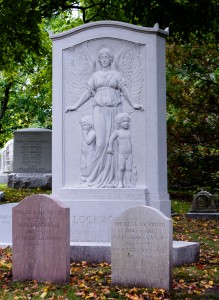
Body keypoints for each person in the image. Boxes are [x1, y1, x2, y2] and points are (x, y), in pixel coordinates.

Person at [66, 47, 142, 187]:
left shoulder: (116, 75)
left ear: (110, 59)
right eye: (102, 58)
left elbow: (124, 90)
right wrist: (76, 105)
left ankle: (116, 180)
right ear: (99, 60)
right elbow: (88, 93)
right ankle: (94, 176)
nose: (104, 60)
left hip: (114, 110)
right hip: (99, 110)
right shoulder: (95, 77)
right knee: (100, 143)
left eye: (107, 57)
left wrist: (133, 103)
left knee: (113, 143)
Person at [107, 113, 133, 188]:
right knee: (121, 168)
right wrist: (110, 147)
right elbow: (111, 139)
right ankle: (120, 183)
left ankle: (128, 183)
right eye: (124, 121)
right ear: (119, 123)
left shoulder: (129, 132)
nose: (126, 123)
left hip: (129, 154)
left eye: (128, 121)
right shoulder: (117, 132)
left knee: (129, 169)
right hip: (121, 154)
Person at [79, 115, 96, 183]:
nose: (83, 127)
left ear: (90, 124)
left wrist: (84, 134)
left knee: (89, 165)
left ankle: (89, 178)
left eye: (85, 125)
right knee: (83, 166)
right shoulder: (87, 132)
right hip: (84, 153)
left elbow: (88, 142)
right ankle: (84, 177)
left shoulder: (93, 133)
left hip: (90, 152)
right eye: (82, 125)